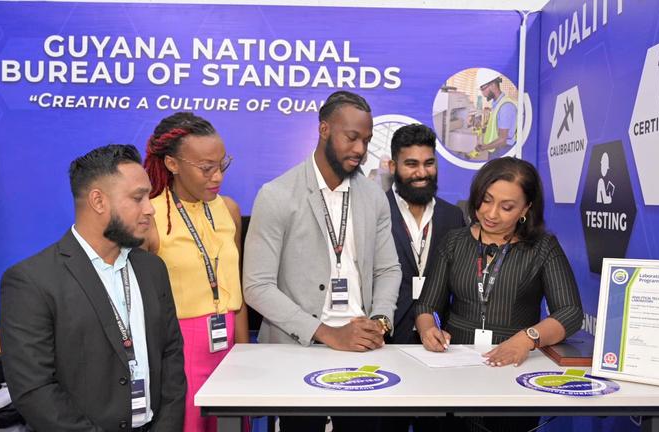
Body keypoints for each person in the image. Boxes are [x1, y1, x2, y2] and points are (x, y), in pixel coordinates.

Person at [243, 90, 401, 432]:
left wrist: (380, 322)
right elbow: (257, 286)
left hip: (364, 353)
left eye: (366, 140)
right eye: (352, 137)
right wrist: (328, 333)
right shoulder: (277, 195)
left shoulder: (374, 197)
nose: (360, 149)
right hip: (298, 349)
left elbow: (388, 269)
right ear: (324, 129)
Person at [0, 144, 186, 432]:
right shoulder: (31, 281)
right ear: (98, 201)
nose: (150, 209)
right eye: (138, 198)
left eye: (148, 197)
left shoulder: (153, 269)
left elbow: (171, 356)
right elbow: (34, 390)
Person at [414, 156, 582, 432]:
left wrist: (527, 339)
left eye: (506, 207)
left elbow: (571, 312)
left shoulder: (543, 248)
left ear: (526, 208)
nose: (491, 214)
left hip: (514, 372)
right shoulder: (454, 242)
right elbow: (426, 305)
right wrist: (427, 329)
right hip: (455, 372)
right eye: (486, 200)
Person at [143, 112, 248, 432]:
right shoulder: (149, 218)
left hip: (229, 346)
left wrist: (244, 355)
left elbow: (236, 290)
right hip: (180, 353)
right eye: (206, 168)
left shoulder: (228, 209)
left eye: (222, 165)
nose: (217, 176)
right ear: (172, 163)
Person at [380, 124, 465, 432]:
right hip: (386, 344)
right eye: (411, 164)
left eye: (429, 163)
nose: (422, 172)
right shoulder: (374, 211)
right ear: (393, 166)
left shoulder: (453, 216)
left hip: (439, 346)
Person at [475, 68, 517, 155]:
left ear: (493, 85)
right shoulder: (496, 104)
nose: (483, 93)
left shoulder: (505, 107)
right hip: (495, 149)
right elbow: (495, 127)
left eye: (483, 88)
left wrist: (483, 147)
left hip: (503, 150)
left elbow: (502, 140)